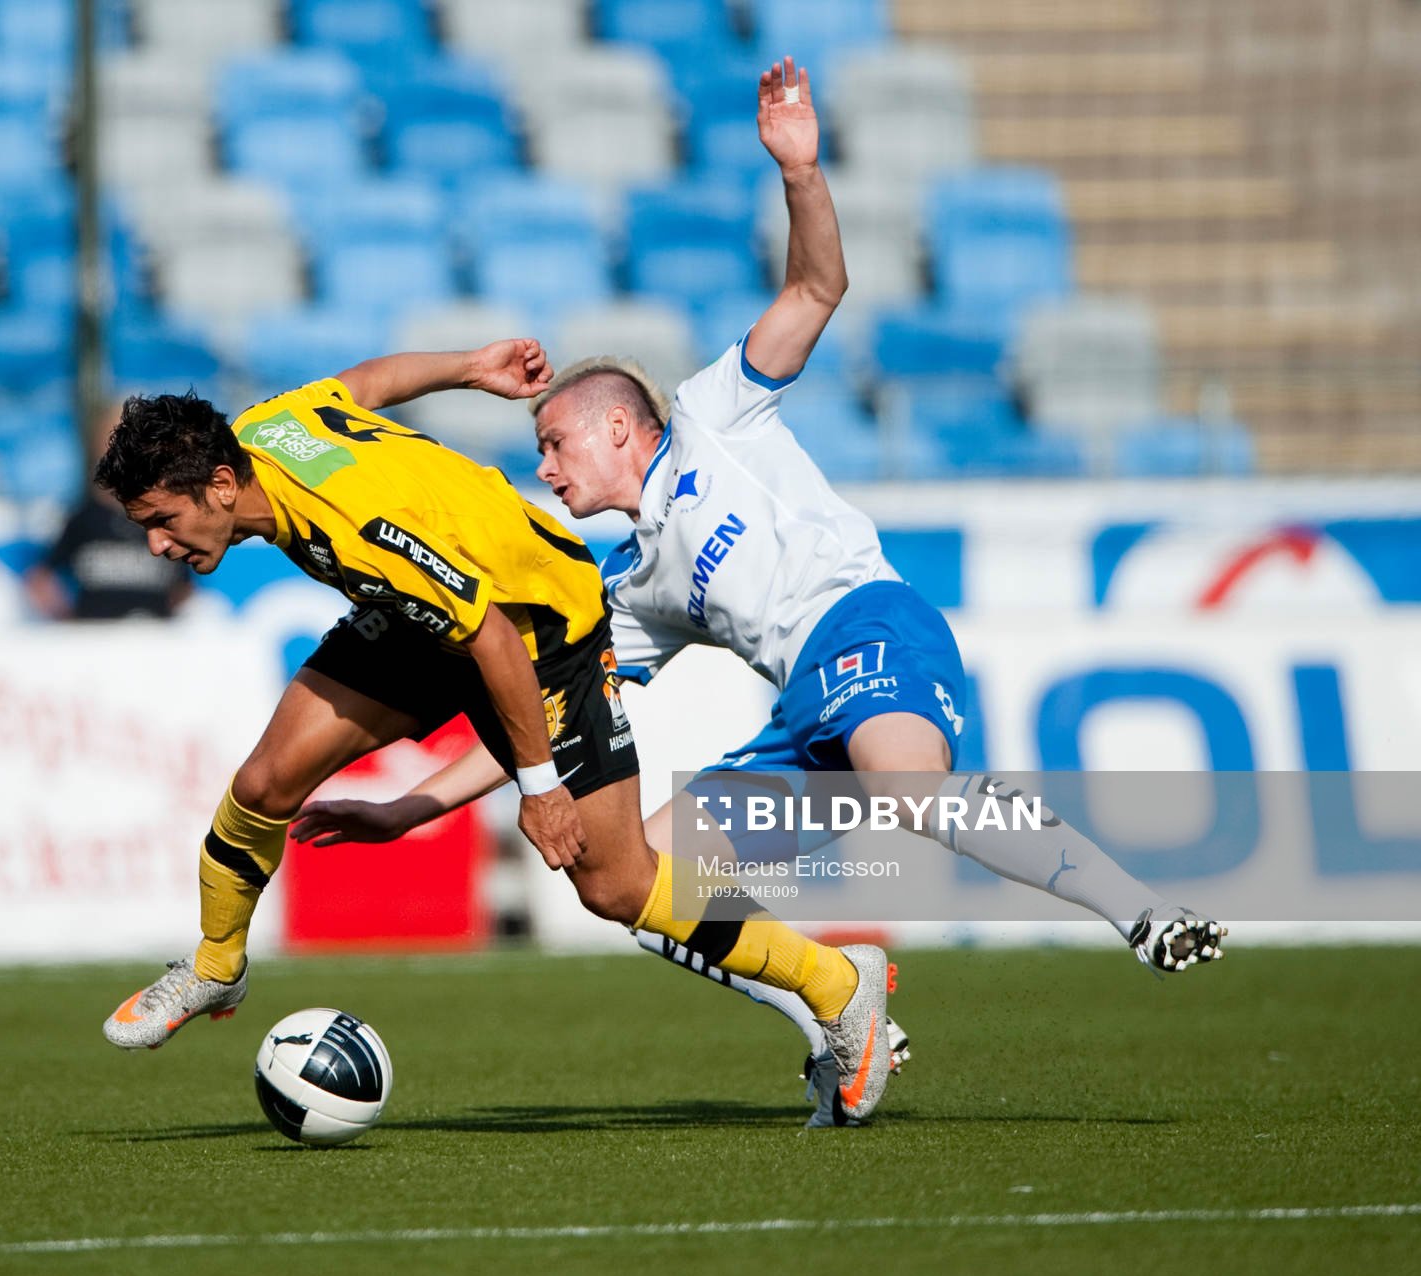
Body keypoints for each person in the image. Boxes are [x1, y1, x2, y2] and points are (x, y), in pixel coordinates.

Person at [291, 58, 1226, 1099]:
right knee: (635, 885)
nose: (544, 470)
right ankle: (835, 1009)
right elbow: (539, 725)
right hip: (800, 718)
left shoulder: (712, 414)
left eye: (553, 444)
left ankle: (1141, 910)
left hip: (868, 626)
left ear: (618, 426)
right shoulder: (626, 590)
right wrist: (411, 808)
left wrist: (800, 173)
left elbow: (816, 289)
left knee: (907, 791)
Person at [92, 329, 897, 1120]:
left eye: (162, 519)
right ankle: (216, 965)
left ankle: (836, 983)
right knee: (265, 783)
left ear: (221, 484)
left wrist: (539, 790)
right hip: (421, 610)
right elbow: (364, 383)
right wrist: (470, 366)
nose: (156, 544)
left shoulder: (361, 527)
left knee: (615, 885)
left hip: (538, 622)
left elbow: (493, 640)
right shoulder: (267, 428)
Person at [25, 407, 193, 621]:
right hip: (95, 636)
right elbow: (40, 578)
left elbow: (185, 587)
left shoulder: (165, 518)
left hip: (151, 635)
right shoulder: (84, 519)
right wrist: (66, 620)